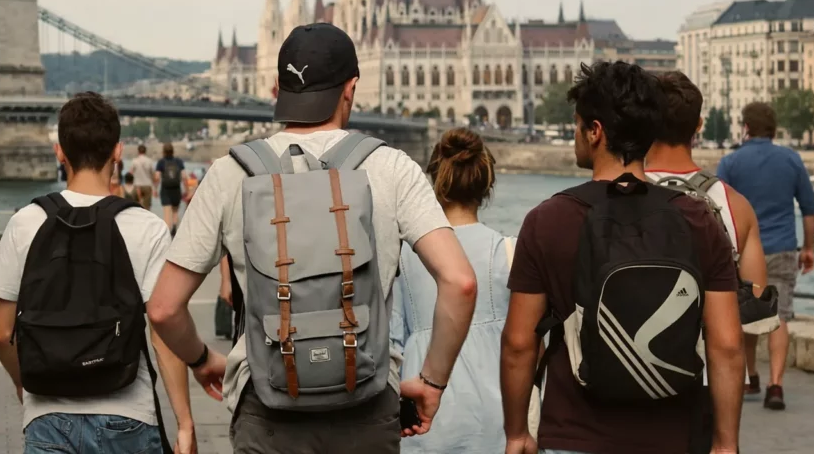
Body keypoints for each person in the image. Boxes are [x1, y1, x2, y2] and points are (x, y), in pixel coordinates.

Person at [146, 23, 478, 454]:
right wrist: (432, 380)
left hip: (267, 410)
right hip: (368, 401)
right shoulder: (392, 168)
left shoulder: (231, 173)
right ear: (350, 88)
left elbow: (163, 308)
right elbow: (461, 282)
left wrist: (202, 359)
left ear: (275, 89)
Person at [501, 61, 743, 454]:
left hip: (575, 435)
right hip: (674, 437)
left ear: (595, 132)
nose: (575, 136)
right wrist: (726, 444)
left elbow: (518, 343)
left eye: (578, 125)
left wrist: (516, 433)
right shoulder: (698, 218)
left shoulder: (549, 220)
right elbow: (727, 346)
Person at [0, 92, 198, 454]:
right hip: (128, 416)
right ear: (117, 152)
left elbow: (0, 333)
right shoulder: (146, 227)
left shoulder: (25, 223)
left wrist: (26, 384)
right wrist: (185, 422)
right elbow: (163, 334)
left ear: (59, 152)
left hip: (48, 418)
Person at [645, 71, 779, 453]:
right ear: (699, 125)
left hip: (615, 377)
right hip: (698, 382)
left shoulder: (611, 195)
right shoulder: (734, 205)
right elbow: (752, 314)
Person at [393, 128, 528, 453]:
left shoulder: (403, 256)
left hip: (422, 416)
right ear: (487, 186)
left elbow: (391, 343)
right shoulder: (510, 252)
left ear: (434, 183)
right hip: (493, 415)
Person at [718, 101, 814, 411]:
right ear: (774, 129)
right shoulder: (791, 160)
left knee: (748, 315)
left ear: (745, 128)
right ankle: (776, 386)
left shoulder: (731, 163)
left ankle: (751, 377)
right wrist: (809, 248)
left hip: (743, 252)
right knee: (781, 316)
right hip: (782, 249)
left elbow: (718, 210)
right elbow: (810, 208)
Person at [154, 143, 186, 236]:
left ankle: (167, 232)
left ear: (163, 152)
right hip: (176, 189)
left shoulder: (161, 162)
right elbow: (184, 176)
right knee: (175, 211)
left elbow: (157, 177)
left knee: (167, 213)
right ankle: (175, 226)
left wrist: (155, 189)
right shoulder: (178, 161)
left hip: (165, 190)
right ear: (173, 151)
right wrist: (187, 190)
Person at [131, 144, 155, 210]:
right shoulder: (149, 161)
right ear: (145, 151)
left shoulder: (134, 161)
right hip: (147, 185)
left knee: (136, 206)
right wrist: (155, 187)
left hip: (137, 185)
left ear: (138, 151)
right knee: (147, 207)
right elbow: (153, 174)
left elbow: (131, 173)